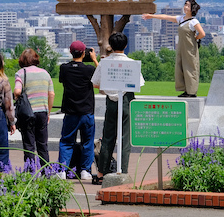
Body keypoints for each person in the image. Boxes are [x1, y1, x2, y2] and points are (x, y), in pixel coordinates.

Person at [90, 31, 145, 184]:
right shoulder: (132, 63)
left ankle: (102, 173)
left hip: (111, 102)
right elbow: (139, 84)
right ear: (126, 46)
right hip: (127, 102)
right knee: (125, 139)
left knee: (108, 138)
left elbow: (95, 83)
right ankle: (123, 172)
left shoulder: (105, 63)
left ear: (111, 47)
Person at [143, 0, 206, 97]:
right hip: (181, 47)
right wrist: (151, 16)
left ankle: (192, 92)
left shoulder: (194, 21)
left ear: (192, 8)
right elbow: (165, 17)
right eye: (185, 4)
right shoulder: (181, 19)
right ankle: (185, 90)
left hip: (190, 49)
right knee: (181, 67)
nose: (185, 7)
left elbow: (202, 33)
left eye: (188, 5)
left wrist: (195, 38)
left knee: (190, 68)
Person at [57, 41, 99, 180]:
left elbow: (63, 80)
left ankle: (62, 170)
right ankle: (85, 171)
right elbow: (101, 81)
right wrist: (94, 60)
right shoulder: (89, 70)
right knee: (87, 142)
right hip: (87, 112)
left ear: (70, 52)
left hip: (70, 112)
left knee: (66, 142)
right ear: (83, 53)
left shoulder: (64, 68)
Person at [14, 48, 55, 166]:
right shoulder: (45, 73)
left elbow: (17, 91)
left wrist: (18, 96)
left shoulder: (21, 73)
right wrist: (49, 112)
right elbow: (51, 94)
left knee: (29, 145)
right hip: (42, 111)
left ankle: (30, 172)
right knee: (42, 145)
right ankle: (46, 172)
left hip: (27, 113)